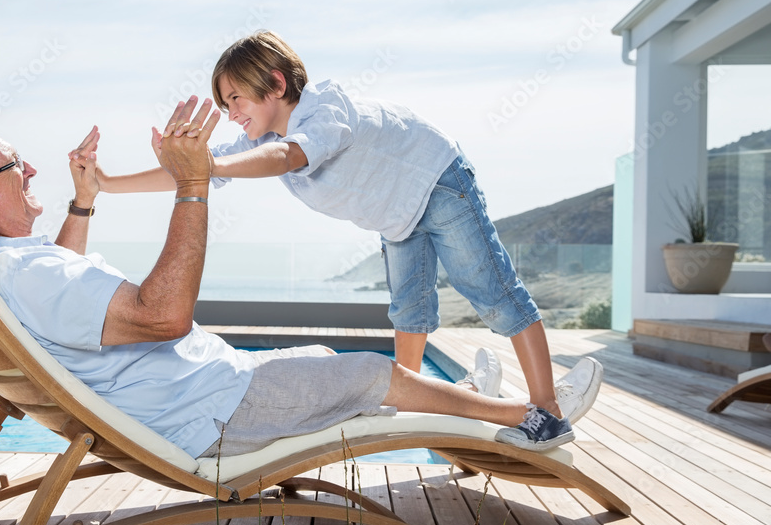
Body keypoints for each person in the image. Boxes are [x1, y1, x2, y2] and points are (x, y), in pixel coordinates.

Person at [0, 99, 597, 453]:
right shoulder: (29, 274)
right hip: (209, 412)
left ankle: (467, 400)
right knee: (367, 372)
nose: (31, 170)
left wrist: (85, 199)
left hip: (208, 392)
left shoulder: (13, 267)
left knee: (328, 361)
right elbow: (162, 315)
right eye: (13, 165)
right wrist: (192, 183)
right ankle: (533, 417)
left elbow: (70, 278)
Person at [91, 32, 603, 450]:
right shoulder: (258, 141)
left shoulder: (324, 107)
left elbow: (289, 158)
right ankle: (422, 408)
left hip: (438, 181)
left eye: (235, 100)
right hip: (397, 217)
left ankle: (546, 411)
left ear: (274, 83)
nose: (231, 115)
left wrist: (208, 164)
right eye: (225, 105)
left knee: (492, 293)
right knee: (409, 312)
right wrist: (108, 184)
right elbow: (200, 173)